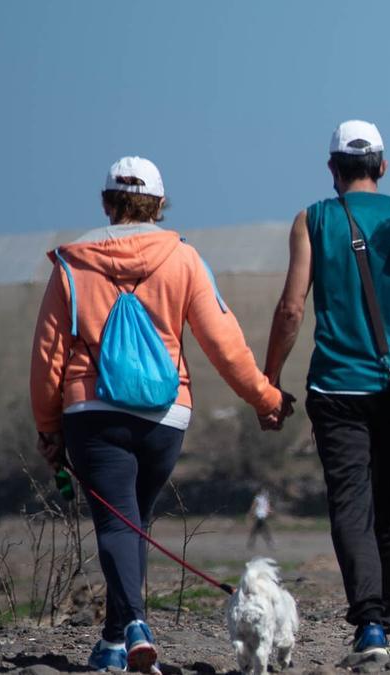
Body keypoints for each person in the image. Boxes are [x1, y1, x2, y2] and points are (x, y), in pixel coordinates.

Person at [30, 157, 290, 674]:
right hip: (164, 416)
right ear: (159, 204)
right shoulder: (183, 259)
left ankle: (135, 627)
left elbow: (47, 356)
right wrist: (266, 398)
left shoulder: (72, 265)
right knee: (134, 521)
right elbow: (223, 342)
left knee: (118, 524)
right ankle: (112, 640)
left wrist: (48, 425)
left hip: (93, 411)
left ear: (107, 202)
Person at [262, 120, 390, 657]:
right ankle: (384, 622)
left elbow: (291, 309)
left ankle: (369, 623)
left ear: (332, 170)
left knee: (351, 506)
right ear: (383, 166)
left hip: (336, 389)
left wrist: (270, 379)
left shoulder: (313, 220)